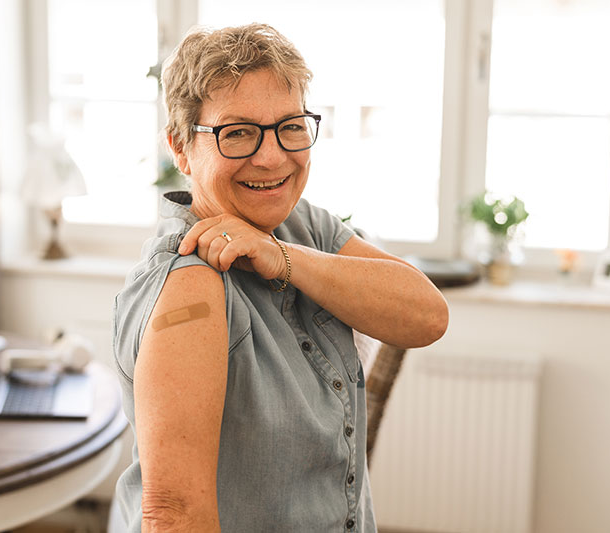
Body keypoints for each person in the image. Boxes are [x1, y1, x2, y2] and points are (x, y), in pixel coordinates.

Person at [112, 23, 449, 532]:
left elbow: (427, 315)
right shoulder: (191, 282)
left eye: (290, 126)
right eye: (238, 132)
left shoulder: (301, 225)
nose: (272, 156)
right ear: (181, 147)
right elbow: (174, 516)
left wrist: (283, 257)